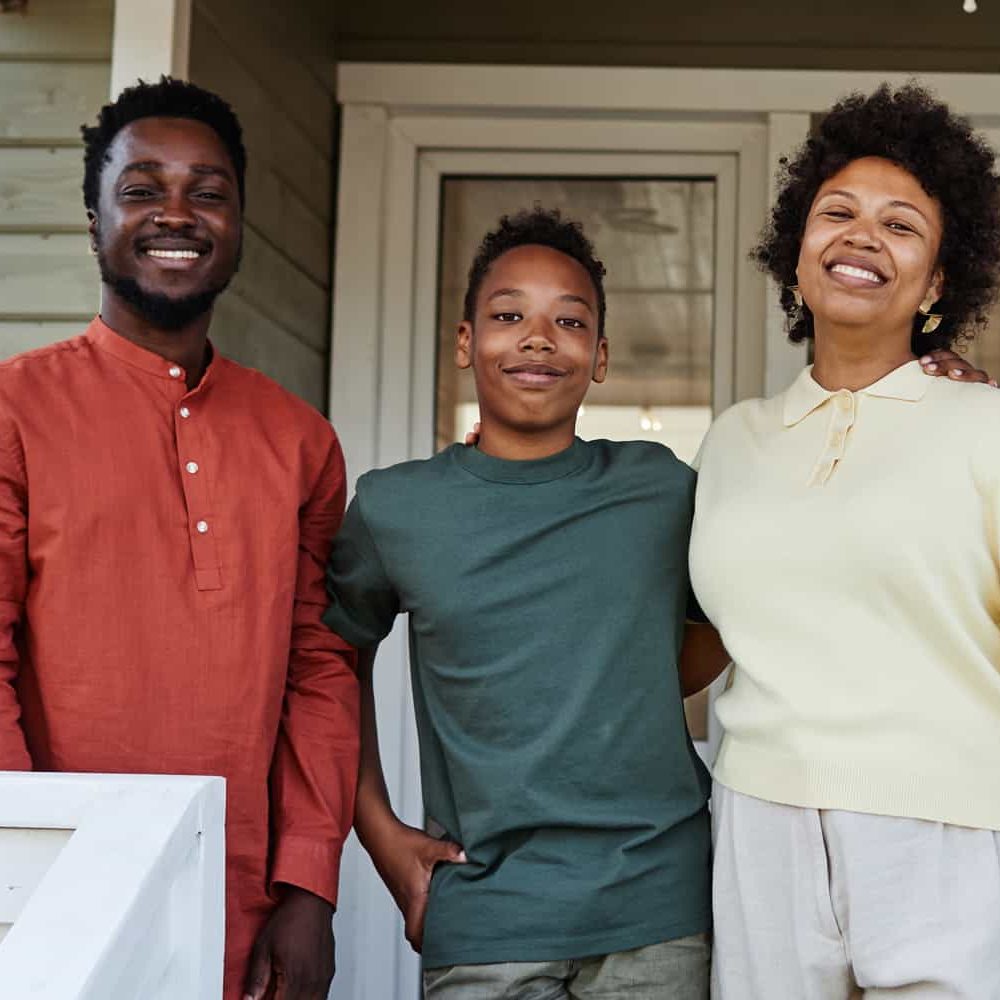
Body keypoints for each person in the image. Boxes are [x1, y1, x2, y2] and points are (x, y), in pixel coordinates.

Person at [0, 78, 359, 1000]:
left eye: (208, 191)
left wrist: (309, 885)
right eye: (141, 189)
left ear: (237, 224)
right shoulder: (15, 409)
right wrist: (22, 869)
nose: (177, 214)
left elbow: (317, 670)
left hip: (244, 907)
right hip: (52, 896)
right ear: (93, 221)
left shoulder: (300, 439)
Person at [323, 208, 714, 999]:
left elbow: (718, 626)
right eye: (509, 316)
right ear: (466, 341)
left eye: (569, 321)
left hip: (660, 910)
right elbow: (332, 663)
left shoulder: (661, 489)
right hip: (485, 913)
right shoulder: (395, 507)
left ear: (599, 357)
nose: (538, 338)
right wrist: (378, 830)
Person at [687, 82, 1000, 998]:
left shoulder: (985, 426)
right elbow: (702, 640)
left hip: (948, 825)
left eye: (902, 225)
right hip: (758, 816)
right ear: (798, 252)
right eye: (838, 214)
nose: (862, 237)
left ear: (939, 280)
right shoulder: (732, 441)